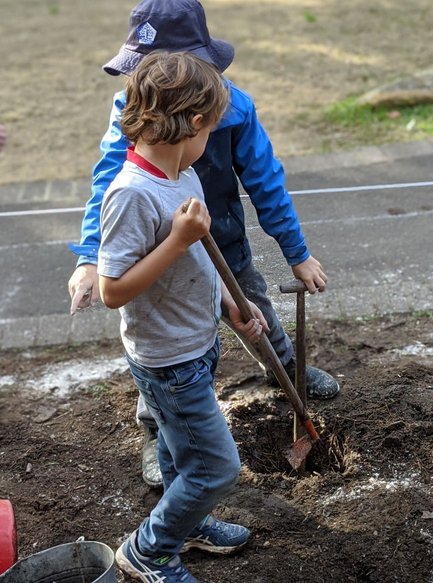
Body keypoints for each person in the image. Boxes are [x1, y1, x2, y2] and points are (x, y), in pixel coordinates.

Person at [67, 0, 340, 489]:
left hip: (223, 241)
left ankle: (284, 369)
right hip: (156, 254)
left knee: (251, 308)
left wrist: (297, 253)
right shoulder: (132, 111)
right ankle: (156, 428)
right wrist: (91, 257)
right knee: (162, 343)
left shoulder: (234, 109)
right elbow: (108, 182)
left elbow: (266, 183)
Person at [98, 51, 264, 582]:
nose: (209, 141)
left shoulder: (182, 176)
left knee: (179, 451)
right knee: (216, 468)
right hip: (168, 359)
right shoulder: (132, 194)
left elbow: (200, 260)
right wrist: (176, 239)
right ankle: (149, 549)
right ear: (193, 123)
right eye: (210, 130)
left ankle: (185, 523)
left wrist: (231, 304)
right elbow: (112, 290)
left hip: (195, 344)